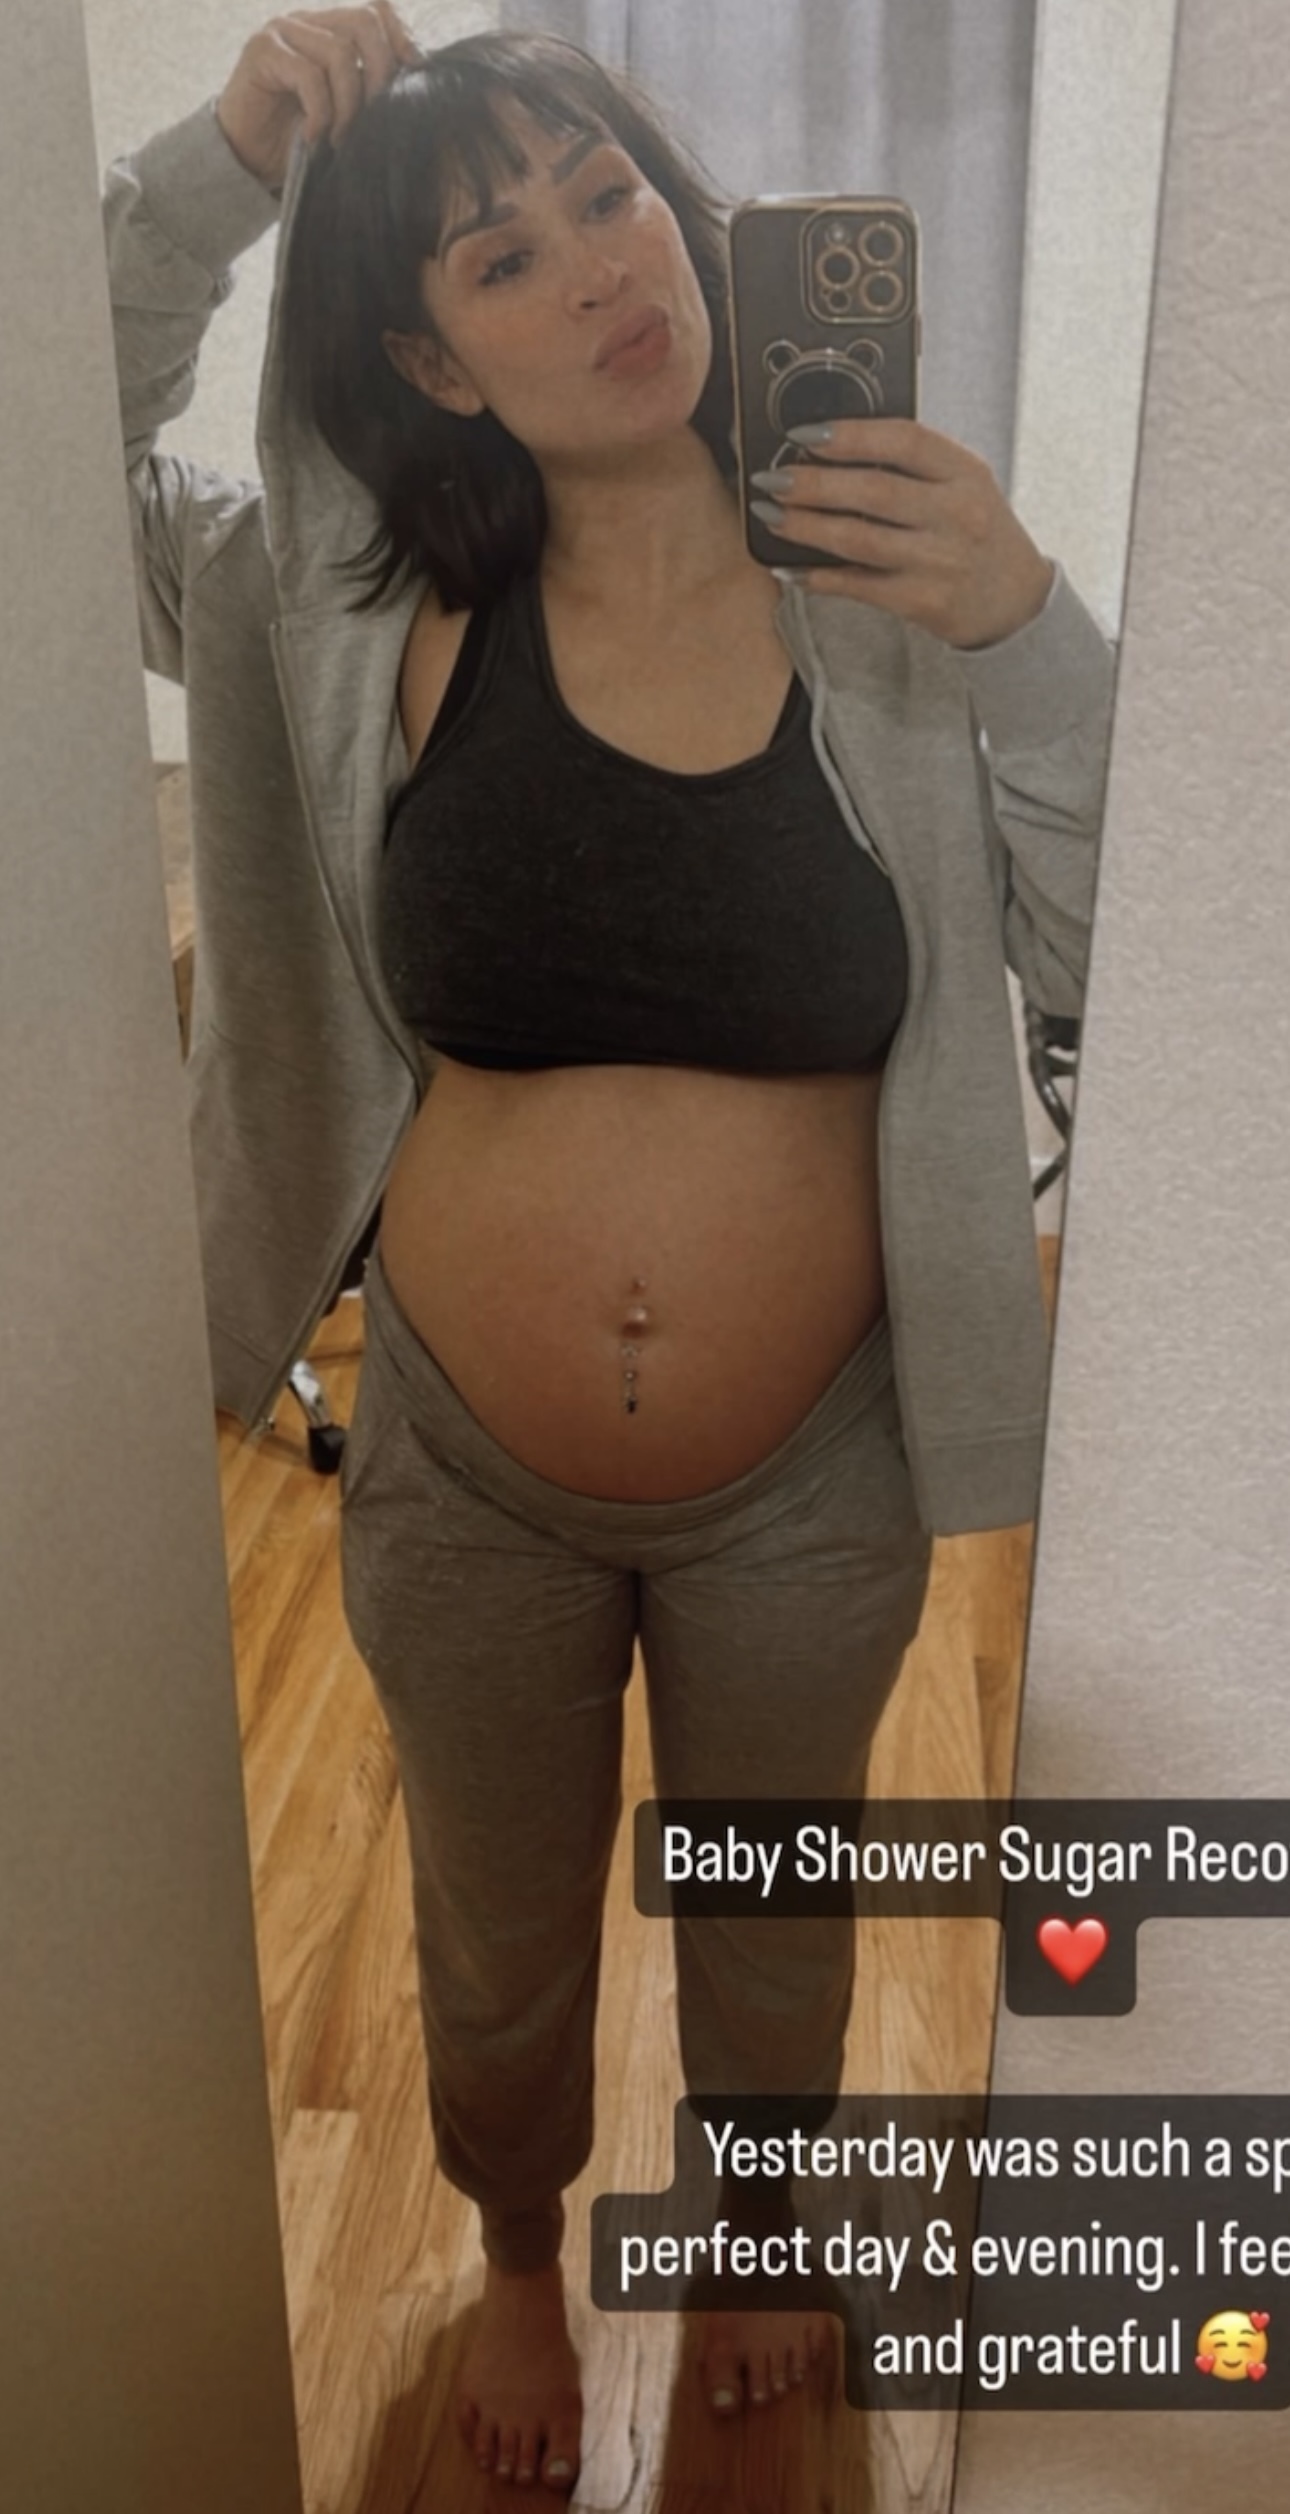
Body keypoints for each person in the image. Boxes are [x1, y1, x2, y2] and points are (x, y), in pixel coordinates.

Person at [104, 3, 1114, 2491]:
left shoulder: (889, 582)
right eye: (502, 252)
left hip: (814, 1466)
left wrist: (1031, 631)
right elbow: (45, 450)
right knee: (495, 1916)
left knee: (778, 1887)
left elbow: (1124, 963)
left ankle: (759, 2232)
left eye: (610, 194)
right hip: (463, 1458)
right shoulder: (339, 604)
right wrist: (217, 168)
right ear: (433, 357)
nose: (596, 266)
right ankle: (512, 2263)